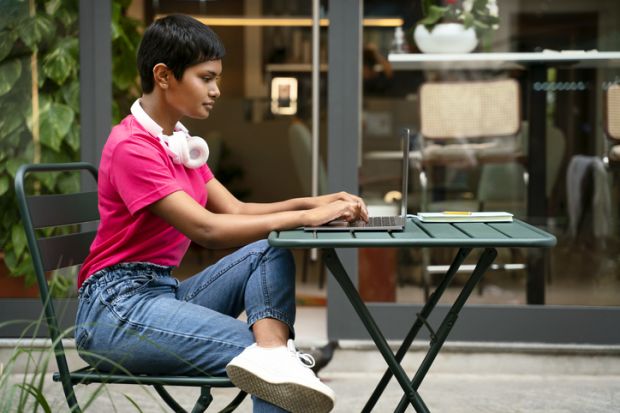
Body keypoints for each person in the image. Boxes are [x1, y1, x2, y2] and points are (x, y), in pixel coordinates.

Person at [74, 14, 368, 413]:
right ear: (164, 76)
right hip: (116, 311)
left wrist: (313, 203)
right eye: (206, 77)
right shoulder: (132, 147)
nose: (215, 90)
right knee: (271, 363)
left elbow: (236, 209)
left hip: (162, 293)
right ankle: (276, 357)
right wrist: (304, 219)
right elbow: (206, 228)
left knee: (268, 251)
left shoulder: (179, 142)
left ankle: (275, 354)